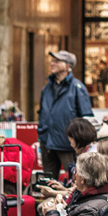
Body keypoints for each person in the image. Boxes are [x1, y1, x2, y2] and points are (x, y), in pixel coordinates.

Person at [38, 50, 94, 180]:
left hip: (68, 146)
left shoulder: (77, 87)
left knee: (75, 180)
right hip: (47, 144)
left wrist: (78, 143)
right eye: (52, 61)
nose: (52, 63)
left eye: (57, 61)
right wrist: (42, 135)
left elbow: (86, 118)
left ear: (68, 66)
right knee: (48, 183)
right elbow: (42, 113)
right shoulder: (46, 88)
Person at [38, 118, 98, 199]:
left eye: (71, 141)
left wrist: (53, 193)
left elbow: (83, 194)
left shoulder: (89, 158)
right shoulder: (92, 152)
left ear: (78, 138)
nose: (71, 145)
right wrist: (62, 188)